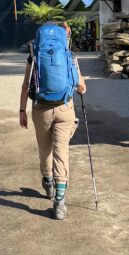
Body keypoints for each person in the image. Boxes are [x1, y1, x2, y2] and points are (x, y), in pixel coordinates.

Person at [19, 20, 86, 221]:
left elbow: (25, 86)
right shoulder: (70, 56)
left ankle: (48, 181)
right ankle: (60, 203)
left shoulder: (34, 56)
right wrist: (77, 88)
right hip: (65, 109)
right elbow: (82, 87)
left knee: (45, 149)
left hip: (41, 110)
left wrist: (22, 111)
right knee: (61, 151)